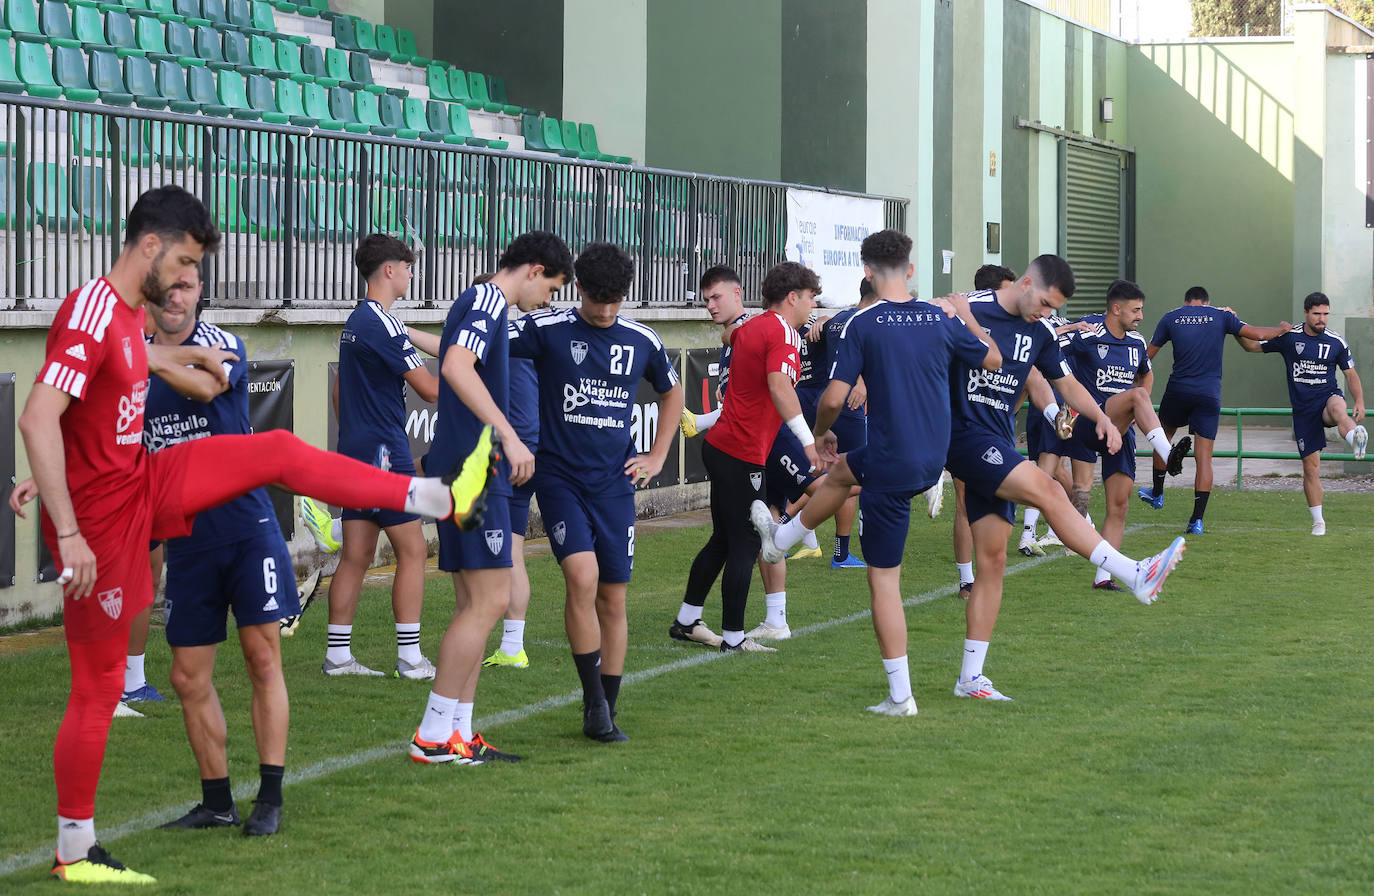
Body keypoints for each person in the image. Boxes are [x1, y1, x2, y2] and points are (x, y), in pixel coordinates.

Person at [16, 185, 498, 883]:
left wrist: (166, 370)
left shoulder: (125, 317)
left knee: (274, 451)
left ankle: (437, 497)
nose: (186, 280)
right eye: (180, 263)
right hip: (102, 525)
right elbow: (38, 416)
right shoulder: (93, 306)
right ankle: (74, 848)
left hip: (142, 480)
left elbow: (110, 381)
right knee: (96, 690)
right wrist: (67, 521)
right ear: (148, 246)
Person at [752, 229, 1000, 715]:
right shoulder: (938, 318)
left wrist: (821, 434)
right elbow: (991, 358)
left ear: (866, 271)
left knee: (884, 582)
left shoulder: (863, 324)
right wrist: (968, 317)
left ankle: (900, 696)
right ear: (910, 270)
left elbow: (831, 397)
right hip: (934, 458)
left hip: (892, 464)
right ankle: (780, 540)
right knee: (844, 473)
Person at [935, 258, 1186, 701]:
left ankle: (970, 679)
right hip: (961, 438)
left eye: (1055, 309)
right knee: (1052, 489)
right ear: (1027, 283)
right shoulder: (965, 306)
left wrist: (1101, 420)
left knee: (992, 563)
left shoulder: (1042, 332)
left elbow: (1064, 383)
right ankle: (1133, 574)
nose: (1047, 313)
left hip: (995, 440)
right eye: (1045, 303)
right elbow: (911, 323)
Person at [135, 268, 295, 835]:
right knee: (186, 676)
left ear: (199, 293)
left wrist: (147, 357)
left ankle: (270, 798)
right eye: (164, 289)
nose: (175, 298)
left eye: (186, 287)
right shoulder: (133, 359)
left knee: (262, 658)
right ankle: (217, 802)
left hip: (247, 529)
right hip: (187, 543)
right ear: (147, 295)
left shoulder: (222, 343)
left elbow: (206, 386)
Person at [407, 231, 573, 765]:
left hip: (471, 470)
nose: (548, 299)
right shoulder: (485, 299)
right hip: (475, 473)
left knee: (477, 603)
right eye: (550, 286)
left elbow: (455, 360)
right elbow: (455, 366)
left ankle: (459, 730)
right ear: (533, 268)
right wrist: (509, 432)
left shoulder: (488, 305)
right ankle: (433, 734)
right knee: (488, 602)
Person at [510, 242, 683, 740]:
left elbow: (672, 393)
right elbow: (475, 343)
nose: (606, 311)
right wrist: (403, 335)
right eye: (597, 300)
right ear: (578, 288)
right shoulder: (547, 328)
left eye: (615, 301)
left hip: (614, 485)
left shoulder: (641, 339)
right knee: (581, 579)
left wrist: (656, 455)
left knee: (612, 596)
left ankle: (607, 706)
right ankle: (592, 703)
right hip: (560, 477)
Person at [674, 262, 819, 654]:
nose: (812, 305)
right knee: (746, 543)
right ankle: (734, 639)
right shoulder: (784, 332)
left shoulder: (751, 327)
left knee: (723, 539)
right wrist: (808, 441)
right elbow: (778, 385)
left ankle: (687, 619)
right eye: (809, 297)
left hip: (722, 446)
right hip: (741, 451)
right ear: (793, 297)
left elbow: (733, 335)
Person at [317, 234, 441, 679]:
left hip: (358, 451)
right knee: (413, 550)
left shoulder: (358, 321)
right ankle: (410, 659)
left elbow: (337, 390)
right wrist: (472, 387)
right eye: (407, 266)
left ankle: (338, 656)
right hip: (386, 453)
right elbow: (429, 389)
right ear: (389, 270)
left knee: (356, 554)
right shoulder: (382, 323)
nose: (411, 273)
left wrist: (356, 434)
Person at [1057, 279, 1192, 591]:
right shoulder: (1088, 330)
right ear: (1115, 309)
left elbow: (1146, 373)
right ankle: (1166, 453)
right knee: (1137, 398)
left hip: (1121, 429)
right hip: (1090, 423)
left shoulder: (1136, 343)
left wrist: (1136, 409)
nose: (1141, 316)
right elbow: (1049, 350)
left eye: (1141, 310)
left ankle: (1103, 578)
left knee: (1119, 505)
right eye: (1136, 310)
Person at [1142, 285, 1291, 533]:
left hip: (1178, 390)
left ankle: (1157, 494)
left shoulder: (1171, 317)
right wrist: (1282, 329)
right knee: (1204, 458)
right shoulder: (1222, 316)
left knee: (1162, 438)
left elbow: (1148, 356)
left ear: (1186, 301)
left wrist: (1136, 384)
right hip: (1208, 394)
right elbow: (1254, 334)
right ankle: (1196, 521)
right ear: (1208, 302)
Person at [1241, 291, 1367, 534]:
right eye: (1317, 314)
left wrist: (1359, 400)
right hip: (1304, 410)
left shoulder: (1336, 342)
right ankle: (1319, 521)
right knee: (1311, 469)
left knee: (1338, 407)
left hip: (1328, 397)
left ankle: (1356, 438)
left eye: (1326, 314)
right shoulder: (1289, 337)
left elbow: (1351, 374)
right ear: (1306, 313)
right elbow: (1252, 346)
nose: (1322, 319)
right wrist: (1235, 328)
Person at [485, 271, 538, 670]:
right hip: (533, 450)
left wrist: (403, 332)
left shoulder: (494, 338)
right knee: (515, 549)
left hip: (509, 453)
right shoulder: (529, 337)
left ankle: (340, 525)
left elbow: (449, 355)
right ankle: (512, 645)